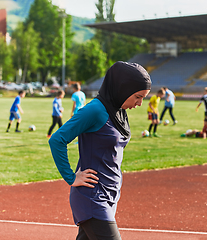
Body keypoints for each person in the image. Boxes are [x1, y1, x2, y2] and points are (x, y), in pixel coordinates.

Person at [49, 61, 151, 240]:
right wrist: (71, 177)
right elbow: (57, 139)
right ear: (123, 88)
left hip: (109, 194)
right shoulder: (95, 110)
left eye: (143, 97)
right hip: (93, 197)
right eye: (137, 96)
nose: (140, 103)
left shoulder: (118, 111)